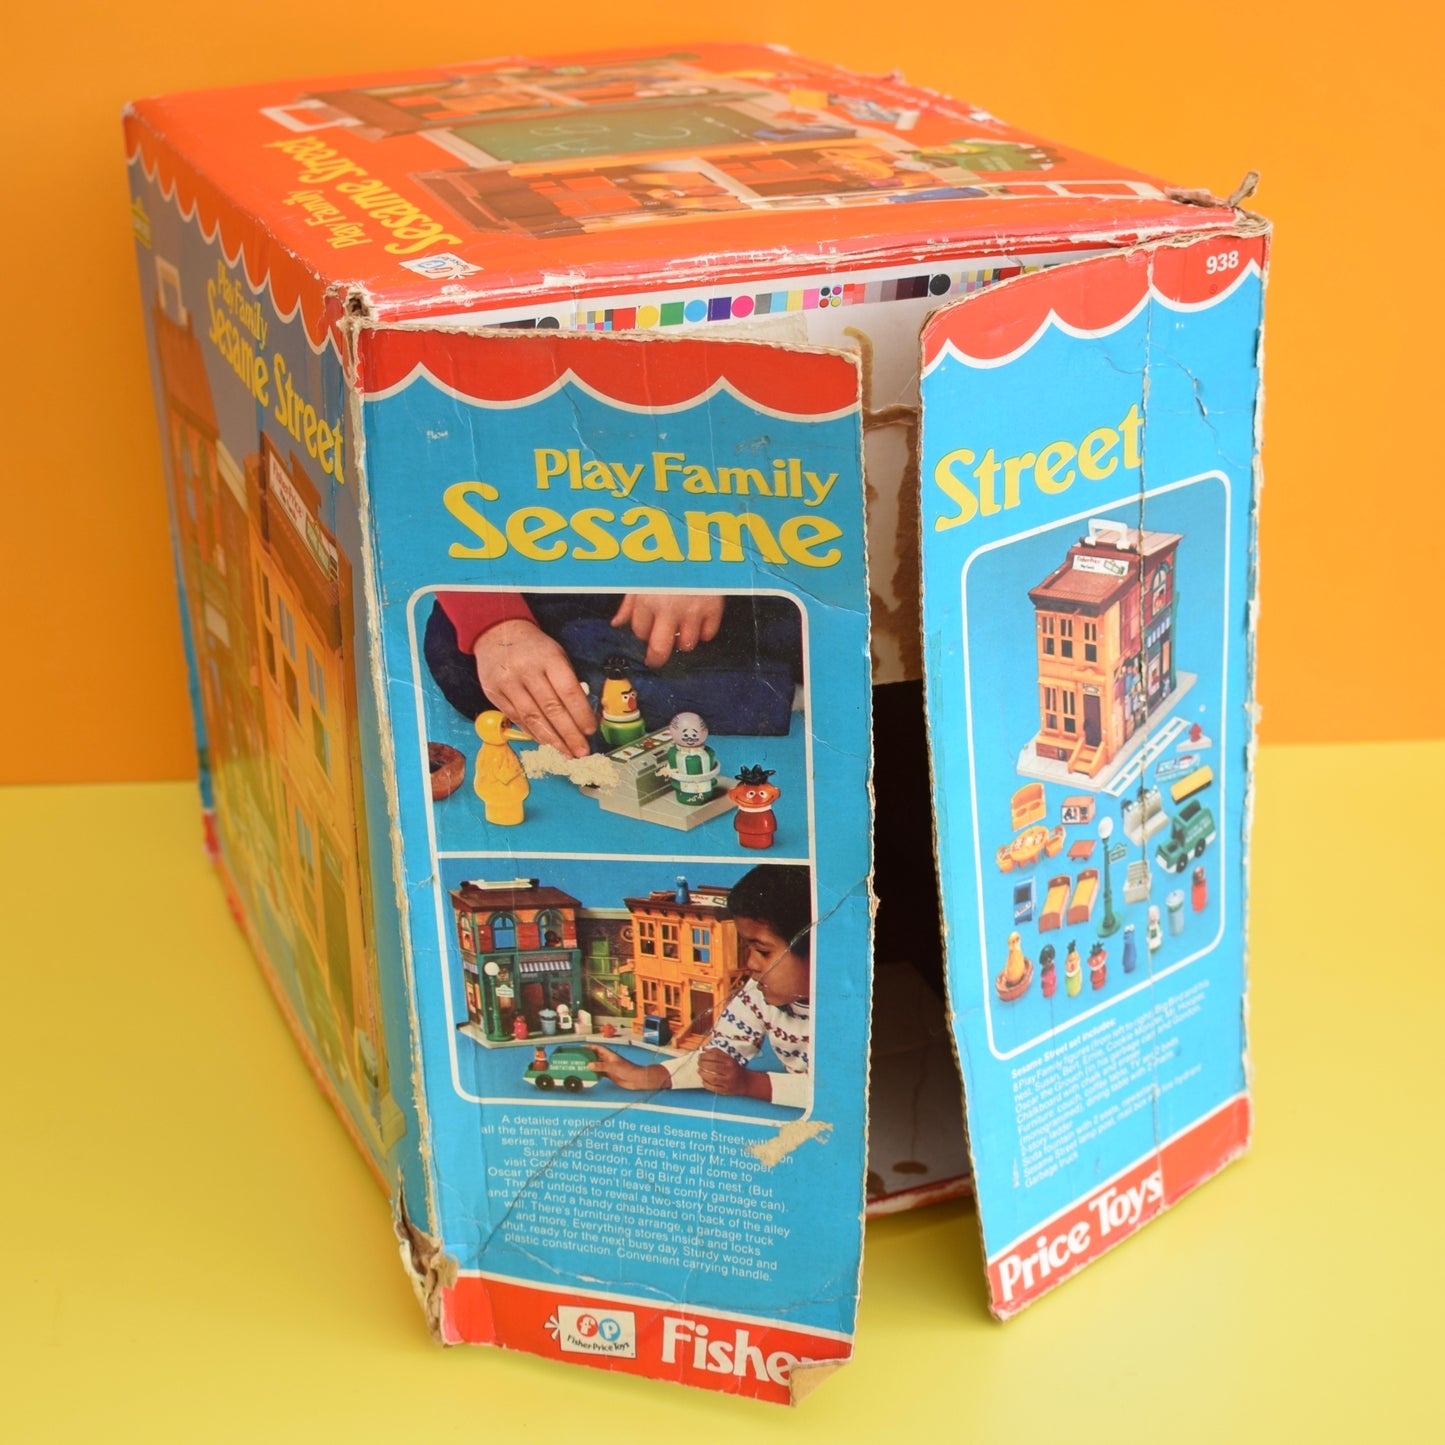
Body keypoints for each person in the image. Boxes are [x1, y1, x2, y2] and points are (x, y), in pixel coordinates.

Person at [589, 866, 813, 1108]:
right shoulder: (757, 991)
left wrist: (750, 1084)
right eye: (747, 948)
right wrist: (641, 1076)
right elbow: (720, 1057)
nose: (750, 964)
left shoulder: (842, 1006)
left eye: (763, 951)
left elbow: (836, 1091)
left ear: (817, 950)